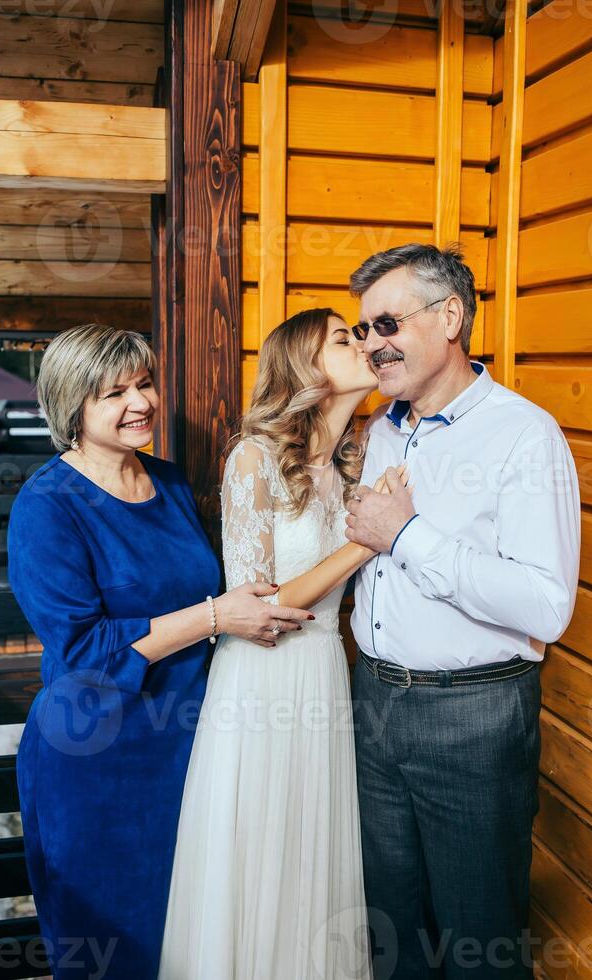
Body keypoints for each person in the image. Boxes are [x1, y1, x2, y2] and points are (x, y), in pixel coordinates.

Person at [7, 323, 313, 980]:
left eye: (143, 383)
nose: (139, 402)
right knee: (111, 951)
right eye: (113, 392)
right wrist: (213, 617)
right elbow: (83, 648)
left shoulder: (170, 483)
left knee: (185, 945)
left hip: (185, 750)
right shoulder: (45, 505)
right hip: (94, 762)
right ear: (72, 407)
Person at [345, 244, 581, 979]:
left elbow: (547, 603)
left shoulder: (523, 435)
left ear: (450, 316)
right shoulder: (381, 428)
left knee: (478, 932)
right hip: (374, 703)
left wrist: (408, 536)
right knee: (392, 926)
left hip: (472, 717)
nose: (372, 343)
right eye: (361, 331)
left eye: (386, 322)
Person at [158, 308, 407, 980]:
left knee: (312, 853)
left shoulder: (359, 459)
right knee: (259, 849)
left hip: (325, 673)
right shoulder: (253, 458)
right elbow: (261, 607)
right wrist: (367, 540)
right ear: (304, 366)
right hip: (261, 681)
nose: (364, 346)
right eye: (344, 339)